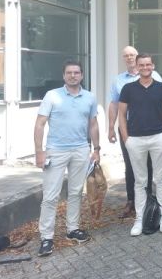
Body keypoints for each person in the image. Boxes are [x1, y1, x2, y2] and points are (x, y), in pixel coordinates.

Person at [34, 61, 100, 257]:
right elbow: (40, 124)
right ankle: (46, 237)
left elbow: (93, 124)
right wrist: (39, 152)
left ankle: (73, 229)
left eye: (76, 72)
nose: (73, 75)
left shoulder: (89, 97)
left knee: (76, 192)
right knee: (50, 195)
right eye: (69, 73)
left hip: (81, 150)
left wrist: (96, 149)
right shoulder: (52, 96)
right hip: (56, 151)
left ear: (82, 75)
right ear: (63, 76)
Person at [118, 54, 162, 236]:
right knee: (140, 181)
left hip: (158, 137)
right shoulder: (128, 88)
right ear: (137, 66)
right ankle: (140, 218)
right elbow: (121, 114)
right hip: (135, 139)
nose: (145, 67)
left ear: (153, 66)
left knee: (160, 179)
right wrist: (126, 138)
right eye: (141, 65)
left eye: (148, 64)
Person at [108, 46, 162, 218]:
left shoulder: (154, 75)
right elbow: (114, 104)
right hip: (128, 129)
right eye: (126, 55)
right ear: (123, 58)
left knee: (148, 164)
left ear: (137, 57)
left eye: (132, 54)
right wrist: (111, 127)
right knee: (130, 165)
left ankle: (148, 198)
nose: (129, 57)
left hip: (150, 128)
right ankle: (131, 200)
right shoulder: (118, 80)